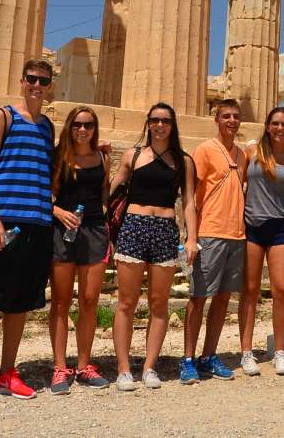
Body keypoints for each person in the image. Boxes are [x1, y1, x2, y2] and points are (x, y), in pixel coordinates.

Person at [0, 59, 57, 406]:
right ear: (21, 81)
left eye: (42, 80)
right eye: (31, 79)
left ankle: (7, 371)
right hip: (5, 222)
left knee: (20, 299)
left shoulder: (47, 126)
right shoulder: (3, 116)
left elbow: (46, 174)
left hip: (38, 223)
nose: (36, 84)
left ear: (49, 86)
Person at [109, 103, 197, 391]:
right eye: (155, 120)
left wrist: (192, 237)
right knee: (126, 302)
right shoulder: (132, 155)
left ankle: (149, 367)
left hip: (164, 230)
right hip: (133, 227)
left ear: (173, 125)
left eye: (166, 121)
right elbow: (110, 191)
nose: (160, 125)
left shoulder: (184, 161)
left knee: (159, 304)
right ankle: (123, 369)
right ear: (148, 123)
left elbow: (188, 202)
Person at [182, 99, 248, 384]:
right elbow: (190, 195)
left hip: (237, 235)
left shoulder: (242, 155)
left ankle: (209, 355)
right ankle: (187, 359)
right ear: (216, 119)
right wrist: (191, 236)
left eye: (235, 116)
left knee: (222, 299)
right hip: (209, 233)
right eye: (226, 116)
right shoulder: (205, 150)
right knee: (198, 298)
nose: (231, 121)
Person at [47, 105, 111, 394]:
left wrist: (106, 222)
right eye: (77, 125)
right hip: (62, 231)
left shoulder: (102, 158)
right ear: (69, 128)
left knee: (89, 300)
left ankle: (84, 364)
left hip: (94, 231)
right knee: (61, 302)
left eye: (88, 125)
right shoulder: (58, 156)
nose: (82, 130)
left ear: (95, 129)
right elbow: (44, 194)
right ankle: (60, 367)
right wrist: (58, 212)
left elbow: (104, 194)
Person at [238, 106, 284, 376]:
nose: (279, 128)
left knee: (281, 290)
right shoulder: (251, 153)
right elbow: (237, 186)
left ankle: (280, 352)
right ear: (267, 125)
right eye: (275, 123)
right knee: (250, 290)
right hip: (251, 225)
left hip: (282, 227)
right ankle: (246, 352)